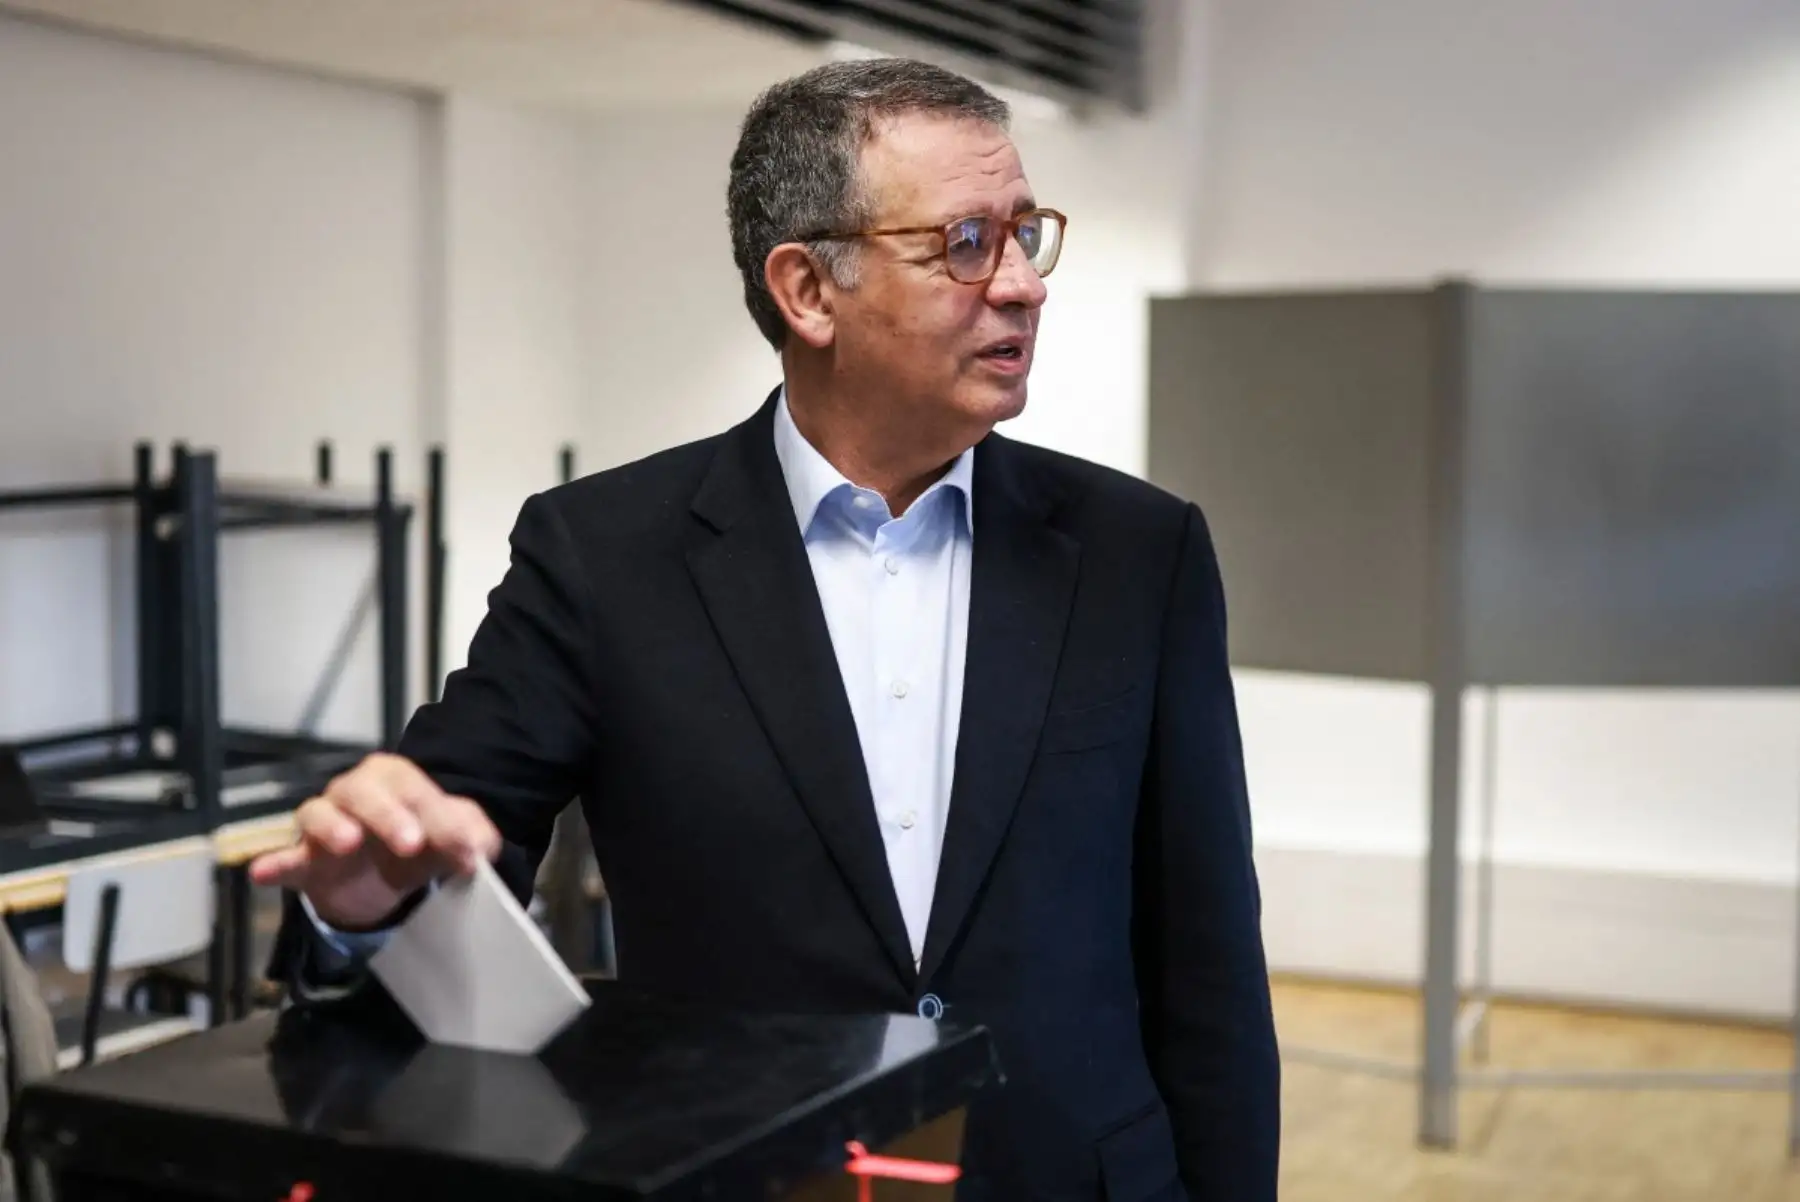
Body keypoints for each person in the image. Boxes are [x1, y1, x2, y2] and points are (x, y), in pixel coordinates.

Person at [253, 57, 1279, 1201]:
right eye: (966, 242)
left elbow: (1209, 970)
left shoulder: (1141, 551)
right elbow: (440, 841)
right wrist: (362, 911)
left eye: (1026, 234)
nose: (1024, 286)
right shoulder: (605, 555)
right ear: (807, 290)